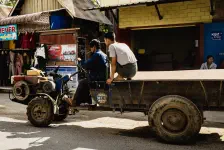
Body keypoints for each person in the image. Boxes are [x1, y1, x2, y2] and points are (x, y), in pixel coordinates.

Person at [65, 39, 109, 107]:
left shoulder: (97, 55)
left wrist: (80, 61)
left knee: (82, 82)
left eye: (91, 48)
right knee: (86, 81)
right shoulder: (104, 54)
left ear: (94, 47)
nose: (91, 49)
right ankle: (87, 101)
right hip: (101, 77)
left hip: (97, 78)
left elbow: (86, 65)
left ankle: (74, 101)